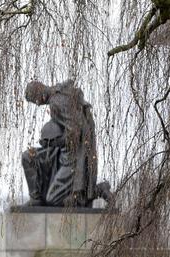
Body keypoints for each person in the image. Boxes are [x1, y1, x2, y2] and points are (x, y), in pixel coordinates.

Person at [23, 79, 109, 207]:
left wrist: (54, 143)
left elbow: (75, 132)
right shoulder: (58, 94)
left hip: (74, 154)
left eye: (35, 100)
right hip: (64, 150)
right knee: (28, 157)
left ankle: (98, 190)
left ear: (39, 93)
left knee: (53, 200)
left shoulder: (57, 102)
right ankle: (36, 199)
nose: (37, 104)